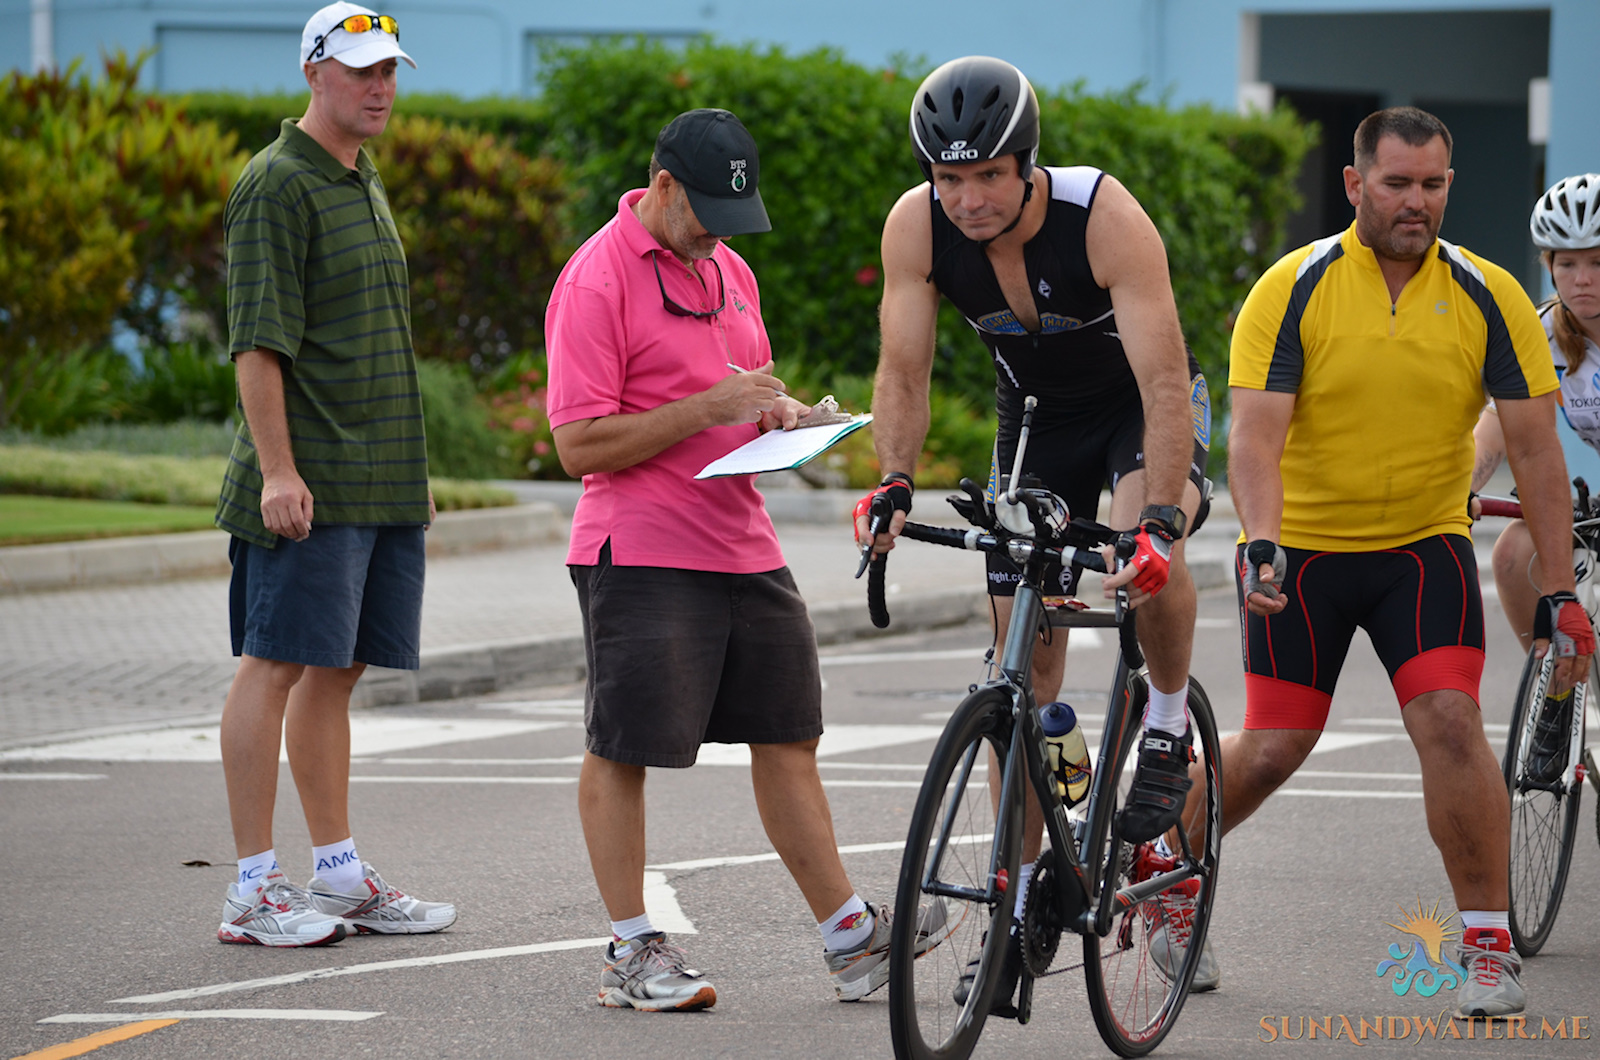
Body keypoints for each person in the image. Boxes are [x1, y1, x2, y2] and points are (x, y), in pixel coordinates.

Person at [545, 108, 945, 1013]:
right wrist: (705, 406)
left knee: (789, 734)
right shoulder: (595, 279)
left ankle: (851, 938)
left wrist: (783, 414)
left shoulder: (729, 269)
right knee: (624, 746)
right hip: (640, 548)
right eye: (705, 219)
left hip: (741, 540)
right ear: (663, 186)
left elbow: (741, 386)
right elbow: (577, 446)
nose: (718, 240)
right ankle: (630, 951)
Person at [1220, 108, 1592, 1020]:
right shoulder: (1292, 287)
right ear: (1356, 186)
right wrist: (1260, 540)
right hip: (1300, 552)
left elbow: (1539, 454)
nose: (1415, 202)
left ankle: (1487, 944)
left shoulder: (1491, 293)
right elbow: (1255, 437)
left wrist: (1560, 591)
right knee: (1272, 750)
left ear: (1448, 188)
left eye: (1432, 185)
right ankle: (1162, 875)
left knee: (1452, 725)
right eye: (1396, 184)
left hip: (1420, 552)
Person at [858, 55, 1213, 1006]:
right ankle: (1021, 899)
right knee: (1024, 665)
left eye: (985, 177)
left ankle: (1170, 723)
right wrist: (893, 480)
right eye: (949, 178)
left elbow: (1165, 381)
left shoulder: (1102, 216)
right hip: (1039, 426)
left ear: (1027, 164)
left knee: (1146, 562)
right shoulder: (915, 226)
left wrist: (1164, 522)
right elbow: (903, 373)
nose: (967, 199)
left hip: (1136, 411)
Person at [213, 1, 456, 947]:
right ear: (314, 73)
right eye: (361, 70)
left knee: (337, 671)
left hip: (379, 479)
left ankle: (339, 876)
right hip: (307, 481)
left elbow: (375, 339)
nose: (381, 86)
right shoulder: (276, 184)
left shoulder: (360, 176)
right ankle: (249, 889)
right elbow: (257, 347)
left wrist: (412, 474)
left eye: (389, 69)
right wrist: (279, 469)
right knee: (271, 667)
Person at [1473, 173, 1600, 782]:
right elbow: (1502, 426)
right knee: (1515, 552)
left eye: (1599, 262)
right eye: (1568, 262)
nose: (1583, 279)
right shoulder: (1544, 333)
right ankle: (1557, 696)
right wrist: (1457, 484)